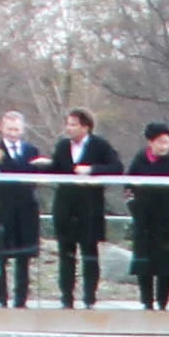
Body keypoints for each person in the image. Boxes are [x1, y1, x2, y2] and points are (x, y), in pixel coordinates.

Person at [49, 109, 117, 308]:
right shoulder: (62, 146)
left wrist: (92, 170)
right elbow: (56, 169)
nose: (68, 128)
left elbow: (116, 167)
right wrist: (42, 165)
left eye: (73, 124)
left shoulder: (100, 145)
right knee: (66, 254)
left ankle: (89, 297)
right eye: (67, 124)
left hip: (89, 208)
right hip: (65, 207)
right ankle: (66, 297)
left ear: (85, 127)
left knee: (89, 253)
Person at [0, 107, 43, 308]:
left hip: (26, 210)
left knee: (24, 257)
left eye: (16, 130)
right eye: (9, 129)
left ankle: (21, 299)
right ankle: (1, 298)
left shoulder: (32, 151)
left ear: (22, 130)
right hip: (2, 208)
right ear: (2, 128)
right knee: (1, 256)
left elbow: (35, 175)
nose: (12, 133)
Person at [125, 123, 169, 310]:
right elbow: (128, 188)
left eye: (168, 142)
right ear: (151, 142)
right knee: (144, 264)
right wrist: (136, 208)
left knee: (165, 265)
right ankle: (147, 301)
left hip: (166, 221)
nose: (165, 146)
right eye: (161, 142)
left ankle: (163, 301)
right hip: (144, 221)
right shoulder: (139, 161)